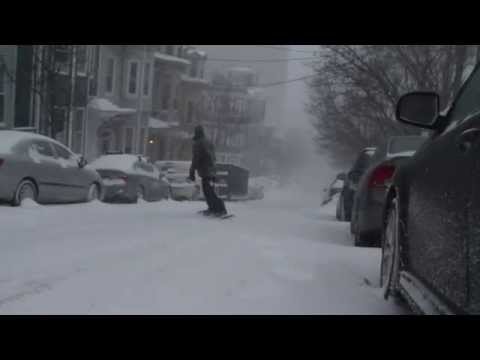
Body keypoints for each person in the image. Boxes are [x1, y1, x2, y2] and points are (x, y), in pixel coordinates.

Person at [189, 125, 228, 217]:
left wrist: (192, 171)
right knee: (209, 191)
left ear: (197, 133)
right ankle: (213, 208)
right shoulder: (208, 142)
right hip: (212, 170)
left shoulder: (198, 143)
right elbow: (213, 157)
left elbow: (196, 158)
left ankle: (220, 209)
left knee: (208, 192)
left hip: (206, 171)